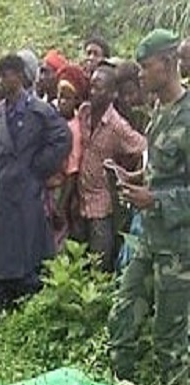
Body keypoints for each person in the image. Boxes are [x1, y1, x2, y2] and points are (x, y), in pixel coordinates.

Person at [108, 29, 190, 385]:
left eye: (146, 66)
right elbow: (163, 169)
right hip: (150, 238)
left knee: (168, 339)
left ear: (169, 64)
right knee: (122, 313)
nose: (140, 74)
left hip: (178, 249)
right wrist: (135, 176)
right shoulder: (159, 110)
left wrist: (154, 200)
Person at [0, 54, 70, 306]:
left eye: (7, 74)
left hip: (27, 193)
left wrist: (39, 167)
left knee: (30, 255)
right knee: (4, 259)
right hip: (3, 195)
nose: (2, 80)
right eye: (0, 75)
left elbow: (62, 139)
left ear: (20, 76)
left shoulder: (39, 110)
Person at [76, 65, 146, 271]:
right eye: (92, 87)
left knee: (100, 265)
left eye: (99, 88)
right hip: (79, 200)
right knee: (79, 262)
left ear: (112, 93)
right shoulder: (84, 112)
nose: (93, 92)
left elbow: (143, 146)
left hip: (101, 204)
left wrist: (128, 172)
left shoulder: (117, 125)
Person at [50, 64, 87, 251]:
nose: (62, 101)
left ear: (77, 100)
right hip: (46, 187)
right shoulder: (52, 120)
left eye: (68, 98)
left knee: (58, 238)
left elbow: (72, 170)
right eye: (60, 96)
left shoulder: (74, 129)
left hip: (60, 189)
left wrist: (62, 205)